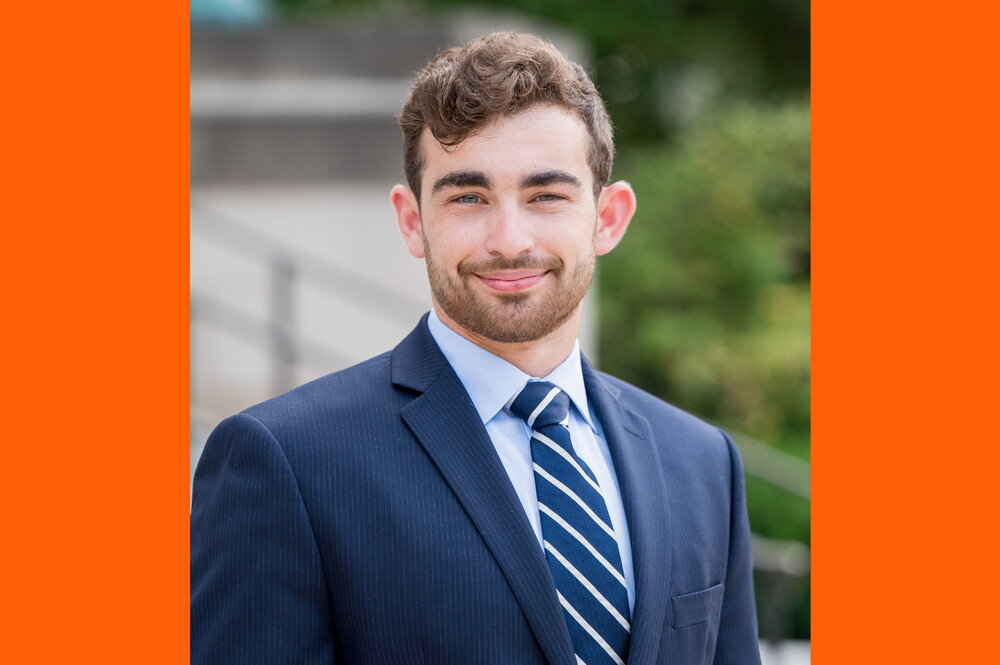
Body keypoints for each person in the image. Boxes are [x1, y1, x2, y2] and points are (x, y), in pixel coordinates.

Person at [191, 31, 761, 665]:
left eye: (547, 195)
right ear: (413, 221)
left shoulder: (703, 463)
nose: (509, 239)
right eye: (468, 197)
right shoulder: (285, 462)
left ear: (608, 218)